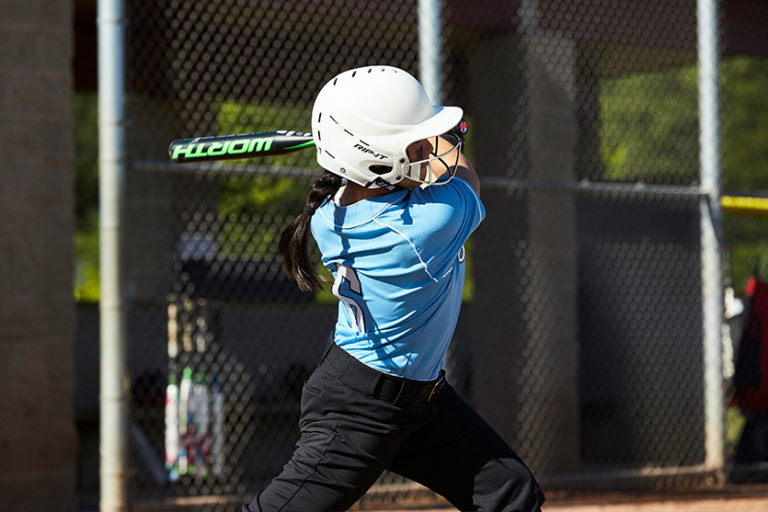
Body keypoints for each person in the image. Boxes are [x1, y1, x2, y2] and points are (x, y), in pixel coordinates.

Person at [242, 65, 544, 512]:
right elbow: (465, 175)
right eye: (417, 145)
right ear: (376, 163)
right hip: (359, 409)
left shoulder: (331, 212)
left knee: (510, 492)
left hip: (422, 401)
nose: (432, 151)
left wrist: (384, 146)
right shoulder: (425, 225)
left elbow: (379, 181)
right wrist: (422, 143)